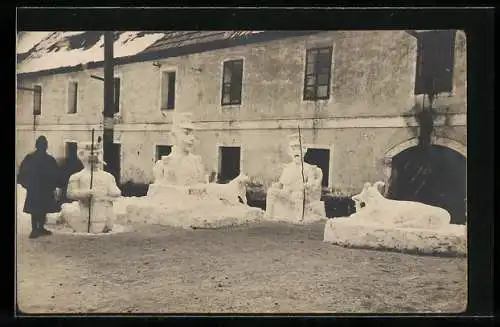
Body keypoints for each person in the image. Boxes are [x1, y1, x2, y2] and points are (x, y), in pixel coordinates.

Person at [17, 136, 62, 238]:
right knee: (35, 209)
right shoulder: (30, 158)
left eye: (44, 144)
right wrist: (26, 184)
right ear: (38, 146)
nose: (43, 146)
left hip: (44, 188)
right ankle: (34, 230)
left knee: (43, 208)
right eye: (42, 144)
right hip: (35, 188)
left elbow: (55, 174)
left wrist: (54, 185)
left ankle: (40, 228)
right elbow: (23, 172)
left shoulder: (49, 159)